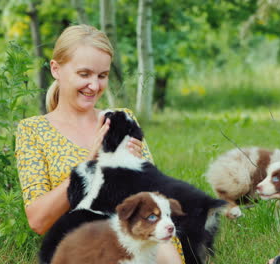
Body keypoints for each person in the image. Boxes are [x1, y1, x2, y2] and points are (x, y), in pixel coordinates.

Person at [15, 24, 184, 264]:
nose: (94, 86)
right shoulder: (33, 131)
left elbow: (156, 203)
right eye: (84, 74)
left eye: (102, 76)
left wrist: (140, 172)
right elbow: (39, 221)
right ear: (56, 69)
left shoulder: (120, 120)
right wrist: (90, 164)